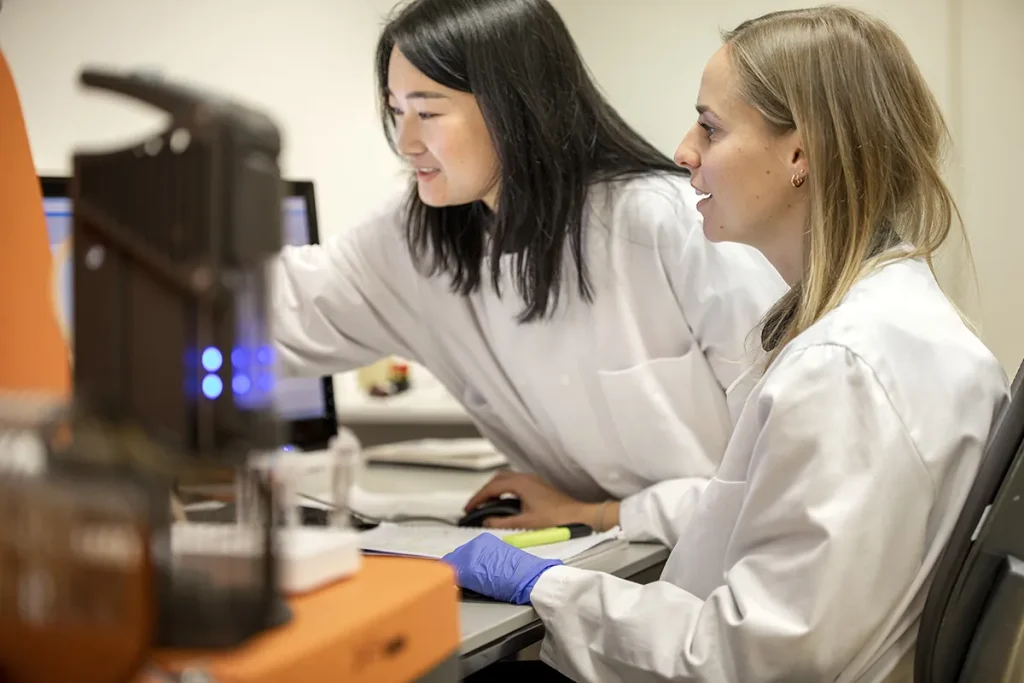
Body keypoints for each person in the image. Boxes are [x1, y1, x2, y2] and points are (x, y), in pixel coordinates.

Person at [442, 6, 1010, 682]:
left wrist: (548, 588)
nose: (683, 150)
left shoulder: (845, 368)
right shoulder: (895, 323)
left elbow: (747, 658)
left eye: (710, 127)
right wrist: (596, 511)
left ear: (801, 153)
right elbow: (748, 504)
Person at [273, 0, 785, 542]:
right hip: (600, 561)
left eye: (427, 112)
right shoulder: (420, 238)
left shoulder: (671, 224)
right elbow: (278, 305)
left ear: (513, 107)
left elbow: (790, 472)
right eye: (396, 111)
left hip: (726, 561)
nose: (406, 142)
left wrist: (604, 515)